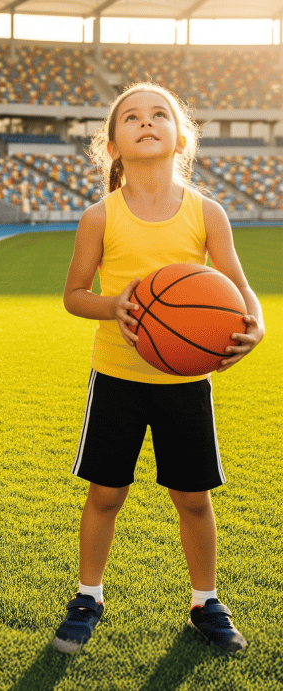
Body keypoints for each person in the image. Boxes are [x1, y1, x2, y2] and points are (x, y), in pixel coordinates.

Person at [53, 83, 264, 655]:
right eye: (131, 117)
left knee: (193, 498)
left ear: (180, 137)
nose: (146, 123)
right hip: (117, 378)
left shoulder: (206, 212)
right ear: (113, 146)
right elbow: (74, 294)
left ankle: (205, 601)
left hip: (185, 381)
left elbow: (241, 290)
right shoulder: (101, 216)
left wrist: (257, 323)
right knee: (105, 494)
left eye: (158, 116)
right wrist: (113, 306)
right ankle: (88, 595)